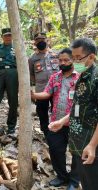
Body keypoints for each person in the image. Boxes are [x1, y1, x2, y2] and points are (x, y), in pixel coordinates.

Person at [48, 38, 98, 190]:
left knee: (92, 182)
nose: (75, 61)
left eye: (78, 58)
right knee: (86, 180)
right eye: (73, 58)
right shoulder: (82, 76)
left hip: (90, 143)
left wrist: (92, 145)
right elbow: (78, 107)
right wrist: (62, 121)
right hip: (79, 142)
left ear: (91, 56)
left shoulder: (95, 78)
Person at [31, 48, 80, 189]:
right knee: (55, 149)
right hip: (56, 122)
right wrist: (33, 95)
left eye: (66, 60)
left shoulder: (80, 78)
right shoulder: (55, 77)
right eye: (60, 60)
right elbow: (47, 93)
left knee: (76, 152)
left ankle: (74, 180)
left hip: (75, 122)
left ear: (73, 60)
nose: (63, 63)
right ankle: (62, 176)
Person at [29, 32, 59, 137]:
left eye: (43, 39)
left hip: (57, 87)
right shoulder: (32, 58)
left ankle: (57, 129)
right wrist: (39, 81)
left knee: (58, 108)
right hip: (41, 88)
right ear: (35, 42)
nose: (40, 41)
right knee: (42, 110)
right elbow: (31, 74)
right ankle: (45, 131)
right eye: (37, 39)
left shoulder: (56, 54)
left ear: (47, 40)